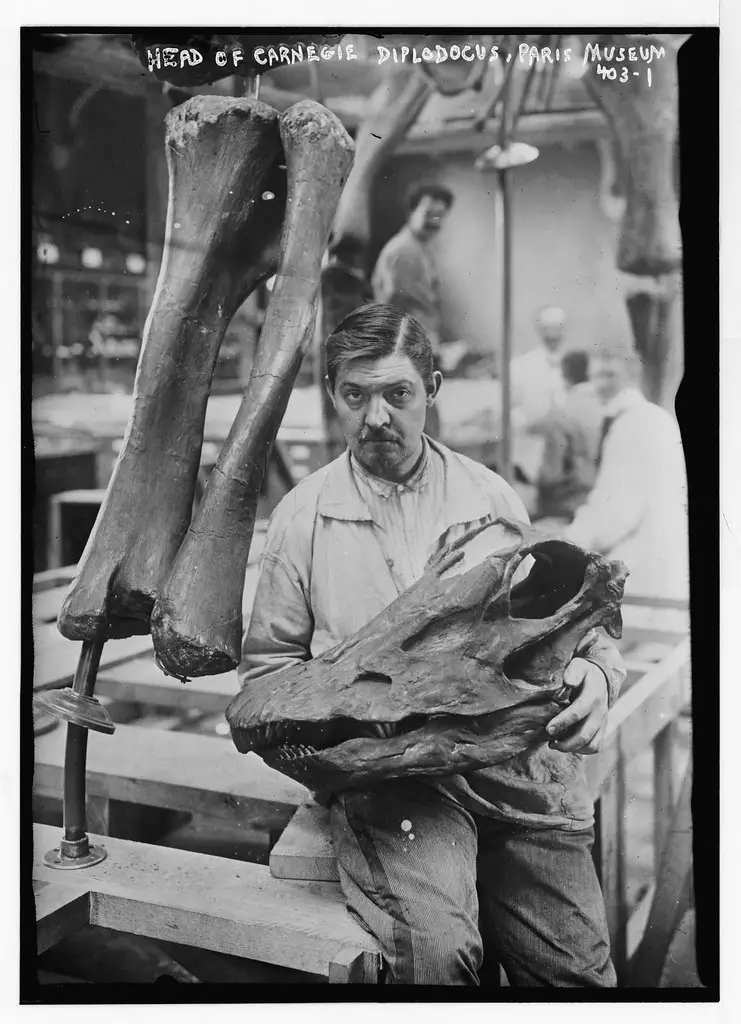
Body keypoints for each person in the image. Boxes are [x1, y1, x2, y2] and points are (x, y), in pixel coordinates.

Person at [239, 304, 626, 987]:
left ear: (432, 391)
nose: (376, 417)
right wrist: (343, 738)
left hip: (511, 765)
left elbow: (566, 626)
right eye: (355, 395)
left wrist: (597, 675)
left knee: (576, 978)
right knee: (441, 960)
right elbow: (268, 673)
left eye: (398, 394)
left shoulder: (492, 499)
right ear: (333, 393)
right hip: (393, 780)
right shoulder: (302, 517)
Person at [564, 343, 689, 606]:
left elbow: (616, 513)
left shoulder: (631, 424)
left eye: (611, 375)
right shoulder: (653, 416)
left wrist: (570, 541)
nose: (602, 384)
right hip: (665, 557)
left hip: (642, 563)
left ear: (634, 375)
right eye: (596, 375)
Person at [371, 183, 453, 355]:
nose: (434, 222)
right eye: (429, 214)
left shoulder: (421, 247)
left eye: (440, 216)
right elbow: (397, 308)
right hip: (403, 348)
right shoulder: (404, 250)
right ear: (412, 212)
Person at [536, 350, 604, 523]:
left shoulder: (563, 412)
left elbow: (551, 473)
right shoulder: (605, 405)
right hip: (607, 491)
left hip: (577, 499)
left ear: (565, 374)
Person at [510, 305, 569, 486]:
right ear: (539, 330)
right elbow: (510, 409)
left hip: (563, 457)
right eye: (548, 329)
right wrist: (528, 425)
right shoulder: (520, 366)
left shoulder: (570, 364)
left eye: (558, 328)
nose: (553, 335)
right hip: (529, 454)